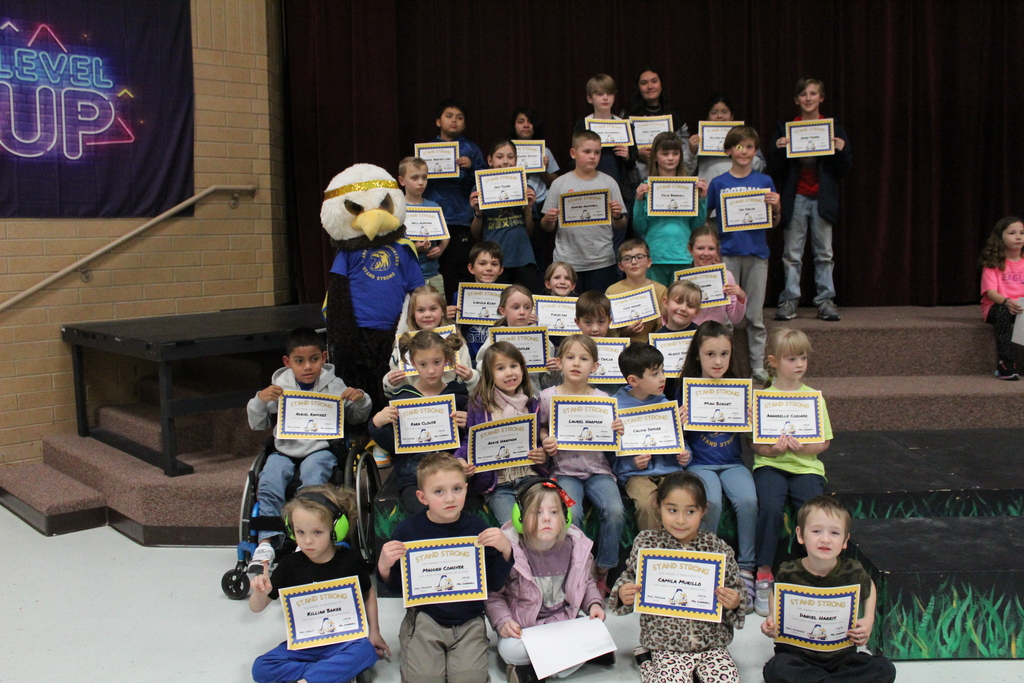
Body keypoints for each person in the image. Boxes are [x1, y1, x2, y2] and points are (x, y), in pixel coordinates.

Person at [377, 453, 514, 683]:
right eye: (439, 491)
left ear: (466, 489)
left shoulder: (477, 528)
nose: (450, 498)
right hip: (425, 617)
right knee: (424, 679)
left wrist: (505, 550)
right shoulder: (407, 532)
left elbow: (493, 583)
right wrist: (384, 567)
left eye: (457, 489)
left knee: (470, 679)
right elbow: (399, 589)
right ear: (422, 497)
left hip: (469, 619)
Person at [246, 327, 372, 571]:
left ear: (324, 358)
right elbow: (257, 423)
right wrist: (259, 401)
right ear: (287, 362)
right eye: (299, 361)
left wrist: (360, 399)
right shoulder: (278, 386)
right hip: (285, 449)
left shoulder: (334, 385)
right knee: (270, 479)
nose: (307, 367)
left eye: (314, 359)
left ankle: (301, 539)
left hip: (320, 449)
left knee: (314, 478)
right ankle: (266, 541)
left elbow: (357, 418)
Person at [610, 472, 745, 682]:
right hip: (666, 641)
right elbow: (629, 577)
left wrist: (735, 602)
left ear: (703, 510)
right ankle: (647, 661)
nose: (680, 520)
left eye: (690, 511)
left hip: (711, 641)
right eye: (672, 510)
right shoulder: (647, 543)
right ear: (659, 506)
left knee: (729, 679)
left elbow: (736, 587)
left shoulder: (716, 548)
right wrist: (623, 593)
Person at [249, 486, 389, 683]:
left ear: (335, 529)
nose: (307, 540)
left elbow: (367, 594)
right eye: (299, 531)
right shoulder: (289, 564)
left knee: (366, 651)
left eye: (317, 532)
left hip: (344, 642)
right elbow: (256, 608)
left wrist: (374, 632)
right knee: (261, 668)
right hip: (304, 646)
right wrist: (260, 592)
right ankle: (327, 674)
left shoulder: (350, 560)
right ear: (291, 530)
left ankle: (314, 677)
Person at [760, 496, 896, 683]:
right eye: (816, 531)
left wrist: (869, 620)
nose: (825, 539)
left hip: (842, 656)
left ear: (845, 540)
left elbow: (869, 586)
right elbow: (775, 591)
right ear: (800, 535)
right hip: (797, 655)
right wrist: (773, 618)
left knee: (884, 668)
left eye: (834, 533)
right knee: (776, 669)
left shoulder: (852, 571)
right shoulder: (788, 571)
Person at [485, 477, 607, 683]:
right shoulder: (510, 548)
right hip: (525, 627)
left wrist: (594, 604)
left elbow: (586, 583)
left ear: (565, 517)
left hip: (563, 621)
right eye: (537, 512)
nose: (547, 519)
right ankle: (579, 658)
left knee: (600, 632)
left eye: (553, 512)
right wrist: (503, 622)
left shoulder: (575, 546)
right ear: (520, 517)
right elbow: (494, 595)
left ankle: (531, 673)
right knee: (510, 651)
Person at [750, 328, 832, 615]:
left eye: (803, 358)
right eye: (792, 359)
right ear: (773, 361)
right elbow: (758, 446)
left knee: (811, 511)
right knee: (771, 508)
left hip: (806, 467)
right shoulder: (762, 398)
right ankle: (763, 574)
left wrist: (803, 447)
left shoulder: (813, 399)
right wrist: (773, 450)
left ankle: (812, 573)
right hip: (771, 465)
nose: (799, 364)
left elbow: (824, 442)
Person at [679, 321, 758, 610]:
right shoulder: (685, 389)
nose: (718, 361)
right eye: (710, 354)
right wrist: (680, 424)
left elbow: (752, 439)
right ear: (697, 355)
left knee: (748, 500)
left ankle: (747, 570)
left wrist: (754, 422)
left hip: (732, 462)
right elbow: (677, 442)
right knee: (710, 501)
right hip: (700, 464)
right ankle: (708, 567)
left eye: (724, 354)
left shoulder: (738, 387)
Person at [538, 333, 625, 593]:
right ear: (560, 362)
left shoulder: (604, 399)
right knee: (571, 514)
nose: (576, 363)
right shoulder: (547, 396)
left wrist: (619, 428)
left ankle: (603, 568)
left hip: (598, 470)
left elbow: (615, 438)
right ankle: (576, 568)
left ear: (595, 367)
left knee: (615, 509)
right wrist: (546, 440)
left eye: (584, 358)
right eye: (570, 357)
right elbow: (540, 428)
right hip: (564, 471)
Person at [769, 78, 852, 323]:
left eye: (813, 94)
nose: (808, 98)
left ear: (821, 98)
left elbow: (844, 170)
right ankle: (790, 301)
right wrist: (778, 148)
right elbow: (776, 170)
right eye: (803, 94)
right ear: (796, 99)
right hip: (796, 198)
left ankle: (826, 301)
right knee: (792, 254)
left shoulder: (833, 128)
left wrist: (842, 149)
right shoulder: (786, 128)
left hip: (822, 199)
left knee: (824, 254)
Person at [707, 126, 782, 382]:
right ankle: (724, 365)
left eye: (749, 147)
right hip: (727, 256)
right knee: (726, 317)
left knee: (755, 317)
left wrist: (777, 206)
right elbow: (704, 219)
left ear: (755, 151)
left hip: (757, 255)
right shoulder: (718, 183)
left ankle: (758, 366)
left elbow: (774, 222)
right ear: (729, 150)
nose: (744, 152)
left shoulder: (764, 182)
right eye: (738, 147)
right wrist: (713, 247)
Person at [368, 331, 469, 513]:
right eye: (423, 364)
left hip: (451, 471)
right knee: (421, 511)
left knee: (462, 507)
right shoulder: (403, 398)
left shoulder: (458, 396)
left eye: (437, 362)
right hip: (413, 475)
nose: (431, 370)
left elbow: (470, 439)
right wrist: (377, 423)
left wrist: (469, 423)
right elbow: (392, 444)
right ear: (413, 364)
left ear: (446, 360)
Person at [454, 342, 549, 525]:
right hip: (498, 484)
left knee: (541, 522)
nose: (509, 373)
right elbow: (470, 441)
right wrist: (460, 460)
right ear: (490, 375)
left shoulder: (532, 404)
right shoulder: (479, 405)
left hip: (529, 477)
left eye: (514, 366)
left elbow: (534, 442)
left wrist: (541, 453)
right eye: (500, 368)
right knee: (512, 528)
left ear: (522, 369)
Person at [613, 343, 689, 530]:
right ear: (633, 380)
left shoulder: (667, 405)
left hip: (669, 470)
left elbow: (679, 443)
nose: (663, 378)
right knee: (647, 505)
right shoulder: (615, 409)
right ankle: (652, 554)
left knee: (682, 499)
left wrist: (685, 454)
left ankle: (681, 553)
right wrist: (631, 464)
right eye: (655, 374)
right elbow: (609, 456)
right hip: (635, 475)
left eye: (662, 371)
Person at [542, 130, 628, 293]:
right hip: (567, 264)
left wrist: (617, 215)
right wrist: (549, 218)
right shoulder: (560, 184)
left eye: (597, 152)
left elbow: (621, 224)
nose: (592, 157)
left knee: (598, 313)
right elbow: (546, 227)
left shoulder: (609, 183)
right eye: (587, 152)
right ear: (573, 153)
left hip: (602, 261)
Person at [424, 98, 488, 302]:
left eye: (459, 118)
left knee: (463, 271)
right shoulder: (427, 150)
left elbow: (486, 182)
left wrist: (471, 168)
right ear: (438, 121)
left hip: (462, 220)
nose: (454, 121)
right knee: (431, 272)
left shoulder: (471, 149)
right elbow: (417, 180)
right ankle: (432, 316)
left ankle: (466, 316)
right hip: (433, 219)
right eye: (449, 116)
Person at [634, 131, 711, 287]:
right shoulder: (646, 186)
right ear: (655, 157)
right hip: (656, 255)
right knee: (659, 307)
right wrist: (639, 200)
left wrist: (702, 199)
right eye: (665, 153)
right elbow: (640, 227)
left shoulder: (690, 187)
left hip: (683, 255)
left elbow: (696, 226)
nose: (670, 158)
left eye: (675, 153)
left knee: (681, 305)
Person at [383, 285, 478, 398]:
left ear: (443, 310)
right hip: (414, 405)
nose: (427, 315)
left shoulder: (456, 342)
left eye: (433, 309)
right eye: (421, 310)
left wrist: (470, 377)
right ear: (413, 314)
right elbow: (393, 392)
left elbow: (469, 389)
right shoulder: (404, 343)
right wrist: (391, 382)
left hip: (451, 402)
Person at [471, 139, 539, 292]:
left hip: (523, 257)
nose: (505, 161)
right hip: (494, 261)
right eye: (500, 157)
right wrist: (478, 213)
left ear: (516, 160)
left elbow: (530, 231)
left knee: (526, 305)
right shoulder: (479, 188)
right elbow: (476, 233)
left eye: (510, 157)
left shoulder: (525, 187)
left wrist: (528, 209)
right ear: (490, 160)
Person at [572, 74, 635, 217]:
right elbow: (573, 160)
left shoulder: (625, 125)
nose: (605, 98)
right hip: (588, 189)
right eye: (600, 94)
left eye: (609, 93)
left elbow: (633, 164)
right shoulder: (582, 125)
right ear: (590, 98)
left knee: (619, 230)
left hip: (620, 189)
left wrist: (627, 156)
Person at [621, 66, 688, 183]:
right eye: (644, 83)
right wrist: (636, 154)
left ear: (661, 84)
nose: (650, 86)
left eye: (654, 81)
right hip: (637, 179)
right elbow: (621, 149)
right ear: (638, 87)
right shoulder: (627, 115)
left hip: (671, 179)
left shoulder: (674, 115)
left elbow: (684, 151)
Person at [684, 94, 767, 186]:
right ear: (707, 117)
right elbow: (686, 172)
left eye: (724, 112)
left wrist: (744, 156)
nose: (719, 116)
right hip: (709, 190)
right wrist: (692, 151)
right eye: (714, 112)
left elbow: (761, 167)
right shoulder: (698, 140)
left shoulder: (746, 137)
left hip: (741, 190)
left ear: (732, 116)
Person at [979, 216, 1024, 379]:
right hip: (998, 307)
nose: (1018, 237)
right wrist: (1007, 301)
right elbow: (991, 292)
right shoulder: (993, 263)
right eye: (1012, 233)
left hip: (1020, 308)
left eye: (1022, 233)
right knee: (1002, 312)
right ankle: (1005, 362)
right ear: (1000, 238)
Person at [447, 241, 505, 361]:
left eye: (494, 264)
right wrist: (445, 315)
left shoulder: (508, 297)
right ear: (471, 268)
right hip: (469, 356)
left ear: (501, 270)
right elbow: (452, 329)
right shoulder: (459, 296)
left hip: (498, 357)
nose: (488, 268)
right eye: (482, 264)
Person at [399, 156, 449, 294]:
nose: (421, 182)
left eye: (424, 178)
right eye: (415, 178)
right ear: (402, 180)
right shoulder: (397, 208)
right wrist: (414, 248)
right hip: (406, 275)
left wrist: (441, 247)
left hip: (432, 273)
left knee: (437, 312)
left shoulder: (433, 206)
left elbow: (445, 235)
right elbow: (392, 244)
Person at [606, 238, 667, 343]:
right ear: (620, 266)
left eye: (639, 257)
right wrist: (625, 332)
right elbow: (606, 327)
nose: (634, 262)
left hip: (650, 347)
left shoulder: (660, 290)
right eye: (627, 259)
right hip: (621, 345)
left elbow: (663, 325)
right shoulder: (612, 291)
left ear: (649, 262)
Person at [688, 225, 747, 327]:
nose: (706, 253)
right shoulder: (684, 279)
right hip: (690, 336)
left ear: (718, 250)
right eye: (700, 248)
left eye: (711, 248)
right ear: (690, 249)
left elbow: (735, 318)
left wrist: (740, 297)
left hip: (715, 335)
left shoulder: (726, 276)